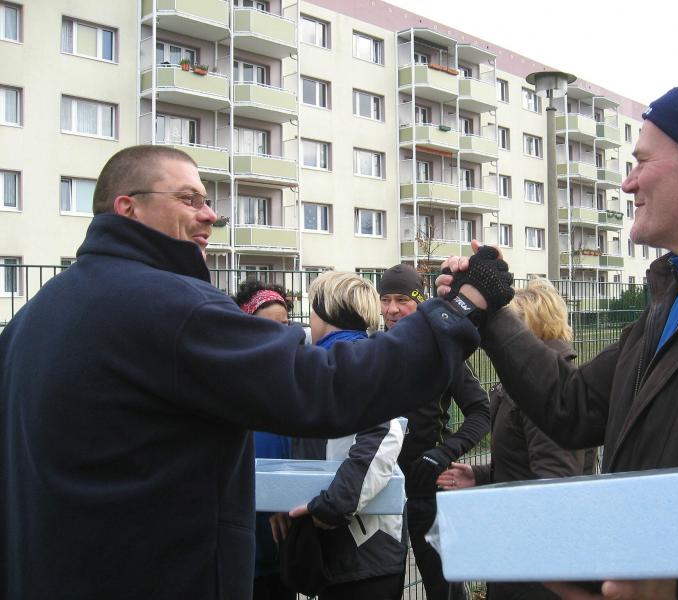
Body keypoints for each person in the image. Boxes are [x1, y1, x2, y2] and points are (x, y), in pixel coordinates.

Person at [0, 145, 514, 599]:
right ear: (127, 207)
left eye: (207, 201)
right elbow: (327, 385)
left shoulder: (33, 317)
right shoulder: (168, 308)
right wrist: (461, 308)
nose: (209, 215)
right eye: (188, 199)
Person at [438, 74, 678, 600]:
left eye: (642, 161)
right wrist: (491, 312)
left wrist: (677, 590)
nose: (628, 184)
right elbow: (573, 405)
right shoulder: (674, 299)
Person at [438, 277, 591, 600]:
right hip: (523, 559)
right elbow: (527, 462)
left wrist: (489, 523)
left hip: (538, 573)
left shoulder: (547, 392)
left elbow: (555, 482)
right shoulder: (530, 384)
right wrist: (482, 475)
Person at [271, 271, 407, 600]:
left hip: (365, 548)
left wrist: (329, 508)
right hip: (340, 546)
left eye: (312, 310)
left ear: (328, 313)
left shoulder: (360, 362)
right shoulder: (335, 360)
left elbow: (383, 438)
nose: (309, 321)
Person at [378, 264, 490, 600]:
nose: (392, 309)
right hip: (378, 493)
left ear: (420, 302)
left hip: (429, 492)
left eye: (402, 300)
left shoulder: (443, 352)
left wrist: (442, 453)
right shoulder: (372, 349)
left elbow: (482, 411)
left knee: (446, 590)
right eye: (385, 299)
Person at [233, 280, 295, 600]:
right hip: (245, 534)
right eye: (268, 326)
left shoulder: (291, 379)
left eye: (284, 325)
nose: (278, 335)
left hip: (283, 534)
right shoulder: (233, 381)